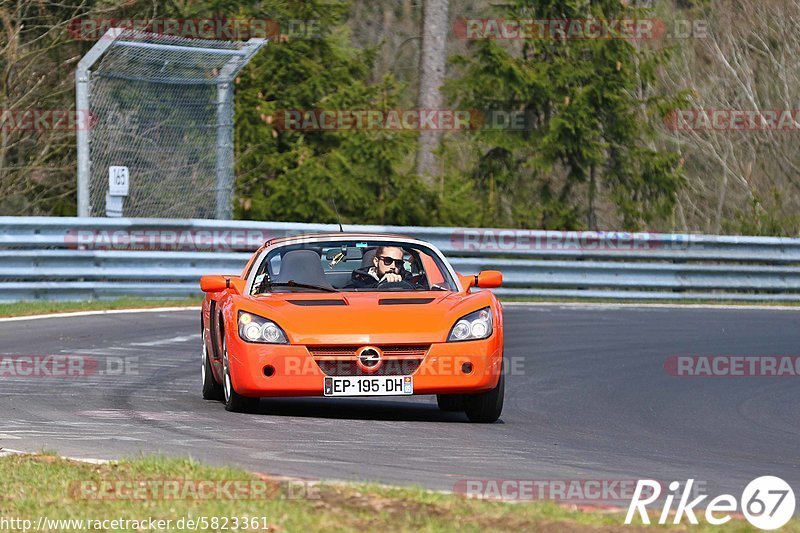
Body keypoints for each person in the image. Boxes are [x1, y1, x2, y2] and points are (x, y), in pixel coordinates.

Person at [346, 246, 414, 288]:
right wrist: (381, 284)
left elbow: (419, 290)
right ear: (376, 261)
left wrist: (402, 284)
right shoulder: (359, 278)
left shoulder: (406, 277)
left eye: (398, 263)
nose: (393, 266)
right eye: (388, 261)